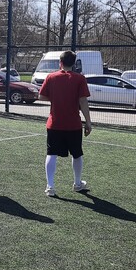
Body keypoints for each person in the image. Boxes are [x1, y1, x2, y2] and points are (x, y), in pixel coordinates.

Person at [38, 50, 93, 197]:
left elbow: (41, 96)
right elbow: (83, 101)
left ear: (60, 63)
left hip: (54, 124)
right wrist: (88, 122)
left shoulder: (51, 77)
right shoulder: (79, 78)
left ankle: (50, 187)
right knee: (77, 154)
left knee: (51, 153)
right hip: (73, 125)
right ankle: (77, 183)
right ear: (74, 64)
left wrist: (55, 97)